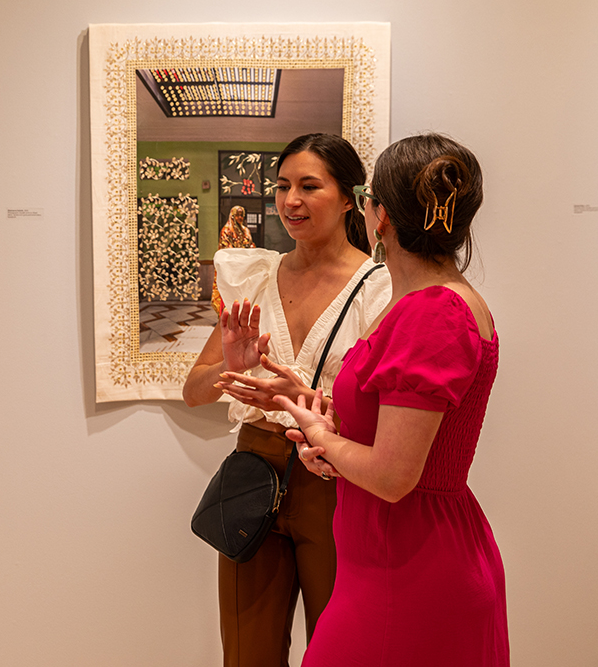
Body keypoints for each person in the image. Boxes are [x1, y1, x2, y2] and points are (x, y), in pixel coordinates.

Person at [220, 133, 509, 666]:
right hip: (395, 554)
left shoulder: (431, 311)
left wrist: (320, 434)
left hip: (405, 561)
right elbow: (390, 429)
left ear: (378, 215)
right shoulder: (433, 303)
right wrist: (304, 402)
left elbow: (394, 475)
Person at [184, 133, 391, 667]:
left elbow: (385, 413)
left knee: (339, 650)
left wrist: (305, 400)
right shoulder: (254, 275)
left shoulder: (379, 289)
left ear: (349, 198)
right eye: (281, 186)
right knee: (246, 653)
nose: (290, 200)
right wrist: (231, 368)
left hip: (336, 481)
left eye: (309, 186)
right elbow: (194, 389)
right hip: (254, 474)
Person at [211, 205, 256, 315]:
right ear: (232, 216)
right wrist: (240, 254)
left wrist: (250, 249)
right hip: (231, 269)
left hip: (244, 268)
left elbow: (251, 245)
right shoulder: (226, 230)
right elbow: (226, 250)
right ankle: (227, 315)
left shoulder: (246, 231)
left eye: (242, 215)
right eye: (238, 215)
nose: (240, 217)